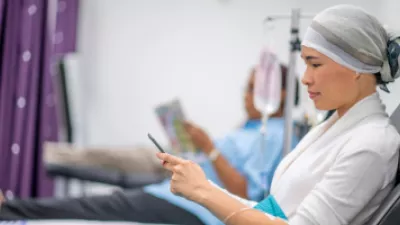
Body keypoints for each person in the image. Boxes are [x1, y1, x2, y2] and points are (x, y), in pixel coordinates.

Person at [154, 5, 400, 225]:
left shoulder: (372, 144)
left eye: (315, 64)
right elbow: (272, 212)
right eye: (305, 64)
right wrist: (200, 186)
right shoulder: (336, 126)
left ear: (355, 66)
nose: (305, 78)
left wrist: (202, 191)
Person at [0, 65, 300, 225]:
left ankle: (10, 209)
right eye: (246, 88)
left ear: (281, 93)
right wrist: (193, 144)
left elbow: (247, 193)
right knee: (111, 186)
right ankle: (33, 180)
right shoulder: (253, 127)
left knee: (100, 204)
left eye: (252, 88)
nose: (245, 95)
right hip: (177, 188)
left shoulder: (275, 135)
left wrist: (210, 148)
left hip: (195, 207)